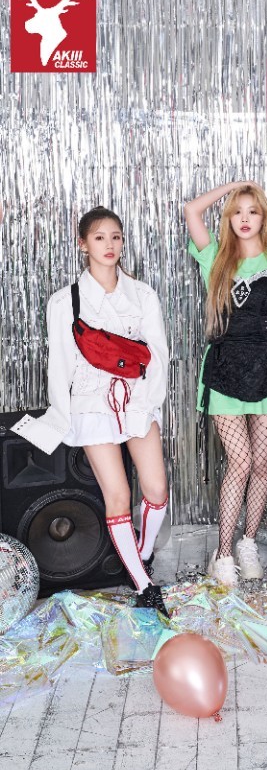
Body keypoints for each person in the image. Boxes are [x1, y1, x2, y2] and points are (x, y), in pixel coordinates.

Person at [14, 207, 170, 615]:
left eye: (116, 237)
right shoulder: (64, 301)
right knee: (118, 496)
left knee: (156, 490)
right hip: (91, 404)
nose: (109, 245)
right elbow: (60, 365)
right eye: (99, 237)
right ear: (83, 244)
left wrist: (150, 402)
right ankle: (144, 585)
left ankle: (141, 555)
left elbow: (158, 355)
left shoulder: (143, 295)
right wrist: (62, 415)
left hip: (137, 400)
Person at [185, 182, 267, 586]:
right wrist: (234, 187)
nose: (245, 218)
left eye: (253, 210)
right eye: (237, 211)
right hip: (224, 370)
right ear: (229, 218)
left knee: (261, 463)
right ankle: (223, 554)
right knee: (240, 461)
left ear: (263, 217)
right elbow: (191, 211)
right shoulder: (216, 258)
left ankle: (247, 543)